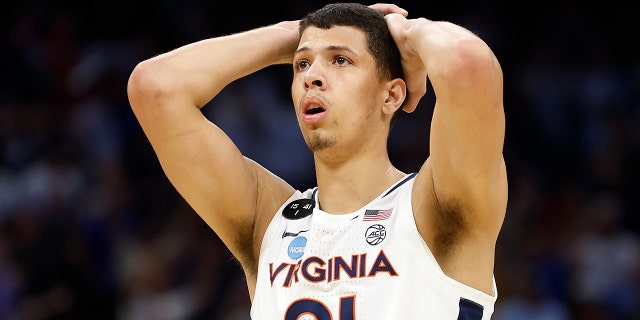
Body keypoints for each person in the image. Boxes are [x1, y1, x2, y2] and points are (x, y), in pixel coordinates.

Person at [127, 2, 507, 319]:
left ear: (391, 96)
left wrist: (406, 35)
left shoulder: (433, 208)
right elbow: (155, 88)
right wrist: (297, 35)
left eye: (340, 61)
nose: (313, 77)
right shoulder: (268, 222)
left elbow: (467, 63)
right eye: (302, 66)